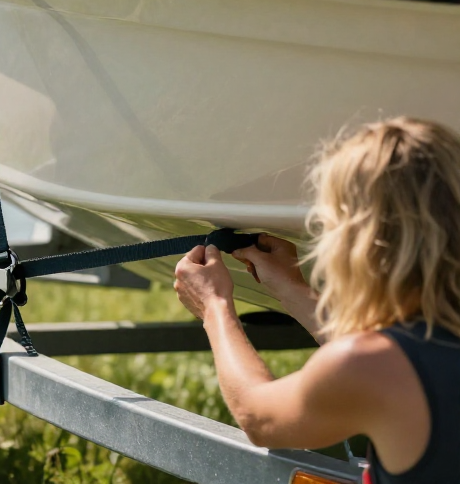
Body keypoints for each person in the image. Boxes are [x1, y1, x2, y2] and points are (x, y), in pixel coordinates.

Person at [173, 117, 460, 484]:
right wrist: (293, 289)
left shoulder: (372, 365)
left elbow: (260, 418)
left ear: (359, 239)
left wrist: (214, 307)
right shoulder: (408, 357)